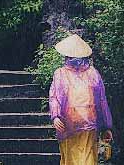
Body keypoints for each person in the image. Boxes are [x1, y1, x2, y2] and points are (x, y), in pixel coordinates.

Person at [48, 34, 113, 165]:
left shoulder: (61, 73)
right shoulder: (93, 73)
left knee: (71, 158)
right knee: (87, 157)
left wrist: (55, 116)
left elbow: (54, 97)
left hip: (69, 123)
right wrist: (106, 125)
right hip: (87, 123)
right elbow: (102, 101)